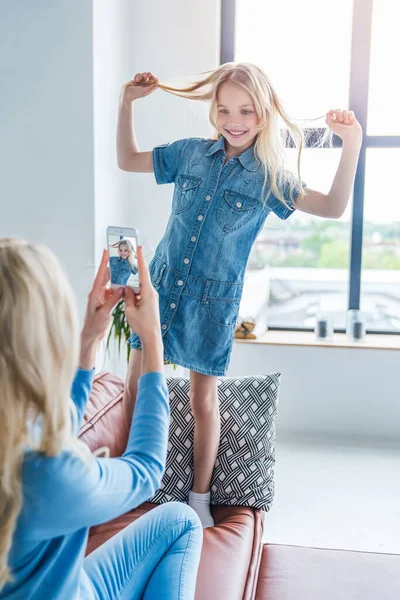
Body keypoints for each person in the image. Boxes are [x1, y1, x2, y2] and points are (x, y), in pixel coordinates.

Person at [116, 62, 362, 528]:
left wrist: (352, 144)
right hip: (160, 287)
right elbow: (127, 159)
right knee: (134, 388)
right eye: (225, 109)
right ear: (213, 111)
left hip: (214, 303)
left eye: (246, 110)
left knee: (202, 402)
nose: (235, 120)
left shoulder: (269, 176)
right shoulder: (189, 154)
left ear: (263, 114)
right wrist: (126, 104)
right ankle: (133, 481)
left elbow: (332, 207)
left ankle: (199, 499)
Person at [0, 239, 202, 599]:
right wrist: (153, 338)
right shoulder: (45, 475)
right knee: (183, 520)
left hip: (75, 585)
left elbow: (51, 431)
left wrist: (90, 339)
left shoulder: (20, 440)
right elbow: (145, 470)